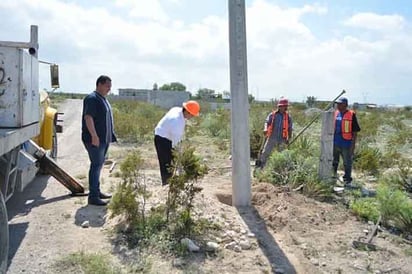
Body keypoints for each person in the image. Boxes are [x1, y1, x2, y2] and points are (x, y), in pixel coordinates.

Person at [82, 75, 117, 206]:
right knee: (96, 165)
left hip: (104, 139)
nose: (109, 89)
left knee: (99, 165)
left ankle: (96, 192)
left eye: (110, 86)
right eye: (107, 86)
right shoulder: (92, 99)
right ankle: (93, 197)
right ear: (99, 85)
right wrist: (94, 136)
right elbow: (88, 118)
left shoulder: (103, 99)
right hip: (95, 140)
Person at [154, 100, 200, 185]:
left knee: (171, 162)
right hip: (162, 140)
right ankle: (166, 185)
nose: (192, 117)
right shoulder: (177, 122)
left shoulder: (176, 109)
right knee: (167, 165)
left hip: (164, 135)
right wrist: (180, 165)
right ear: (187, 112)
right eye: (192, 115)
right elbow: (176, 147)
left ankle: (172, 183)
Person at [257, 97, 293, 168]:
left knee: (282, 154)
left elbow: (290, 128)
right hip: (272, 137)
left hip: (283, 138)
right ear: (279, 106)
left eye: (286, 106)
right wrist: (265, 129)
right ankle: (261, 167)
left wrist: (289, 138)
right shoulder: (272, 115)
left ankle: (281, 169)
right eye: (284, 106)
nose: (285, 107)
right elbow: (267, 122)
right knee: (265, 152)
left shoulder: (288, 117)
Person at [333, 97, 361, 186]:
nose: (338, 105)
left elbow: (355, 132)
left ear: (345, 105)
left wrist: (352, 147)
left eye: (340, 104)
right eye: (337, 104)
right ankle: (333, 176)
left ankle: (347, 179)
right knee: (334, 161)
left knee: (347, 162)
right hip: (335, 142)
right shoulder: (336, 113)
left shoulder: (351, 115)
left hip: (346, 143)